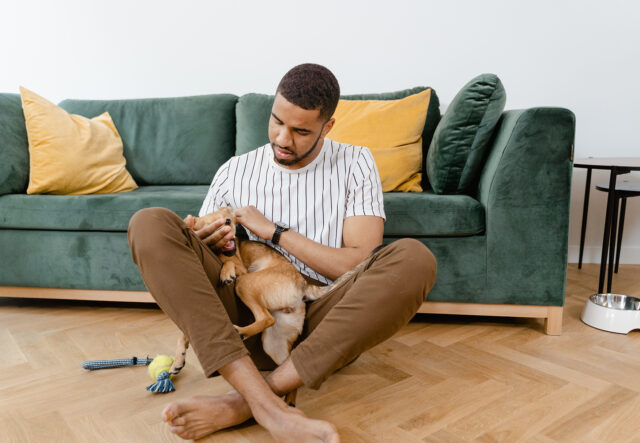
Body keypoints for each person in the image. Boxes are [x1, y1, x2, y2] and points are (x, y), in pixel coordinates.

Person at [127, 63, 437, 442]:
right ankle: (268, 405)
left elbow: (358, 261)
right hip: (237, 323)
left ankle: (245, 402)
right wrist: (207, 238)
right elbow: (202, 259)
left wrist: (273, 231)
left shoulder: (356, 163)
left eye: (301, 130)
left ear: (328, 127)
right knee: (149, 222)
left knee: (415, 259)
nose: (282, 138)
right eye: (276, 122)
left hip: (323, 324)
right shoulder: (234, 171)